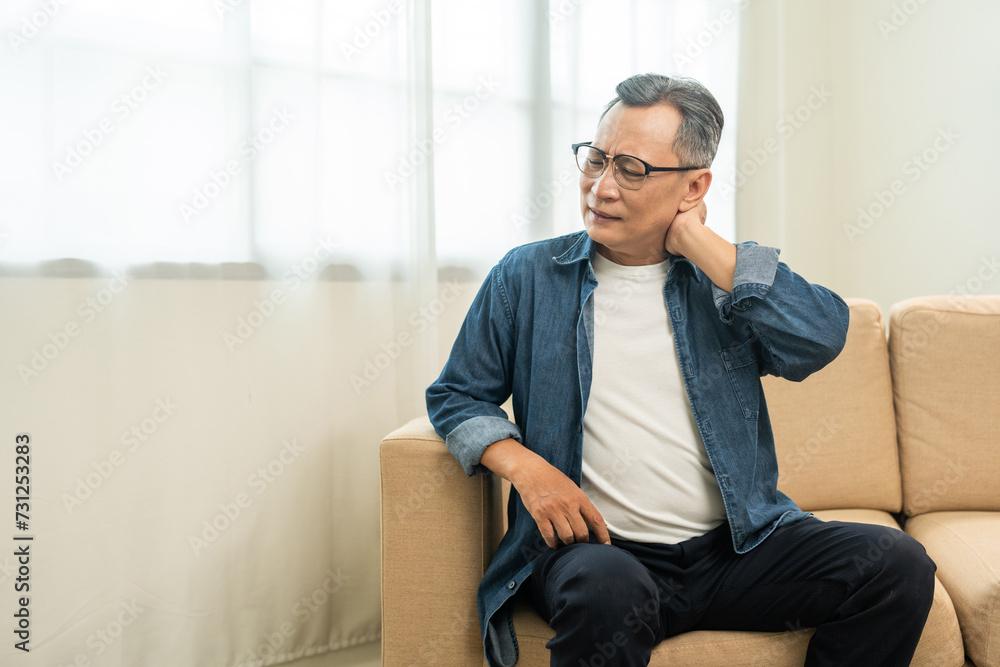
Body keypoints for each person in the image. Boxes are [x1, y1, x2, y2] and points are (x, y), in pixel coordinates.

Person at [426, 73, 936, 667]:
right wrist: (527, 469)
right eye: (595, 160)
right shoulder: (527, 276)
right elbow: (458, 395)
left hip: (738, 553)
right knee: (604, 590)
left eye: (632, 169)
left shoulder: (726, 285)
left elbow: (821, 336)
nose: (602, 188)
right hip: (603, 553)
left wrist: (700, 244)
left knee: (897, 565)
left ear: (694, 185)